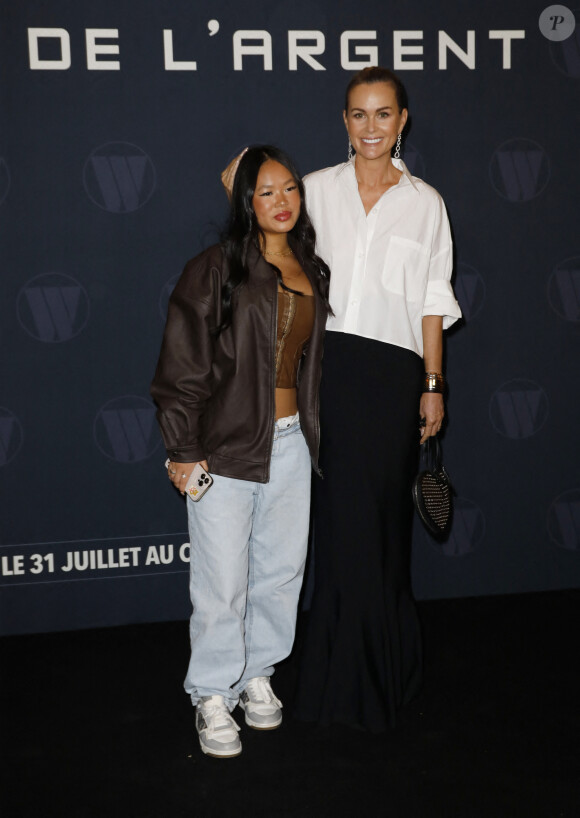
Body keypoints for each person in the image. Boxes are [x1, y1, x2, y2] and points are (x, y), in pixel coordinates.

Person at [294, 67, 462, 732]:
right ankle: (336, 674)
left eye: (383, 114)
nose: (371, 128)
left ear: (403, 121)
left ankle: (385, 670)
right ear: (344, 121)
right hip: (329, 372)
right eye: (359, 115)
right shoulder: (313, 190)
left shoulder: (426, 202)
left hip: (394, 380)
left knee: (385, 528)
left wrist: (432, 384)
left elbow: (431, 302)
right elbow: (258, 225)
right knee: (339, 527)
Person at [151, 145, 332, 758]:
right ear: (245, 203)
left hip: (289, 448)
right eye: (265, 192)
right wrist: (183, 448)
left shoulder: (316, 270)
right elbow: (181, 367)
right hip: (224, 449)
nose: (282, 202)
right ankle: (210, 692)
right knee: (222, 582)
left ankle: (258, 673)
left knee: (281, 574)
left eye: (289, 189)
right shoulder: (217, 267)